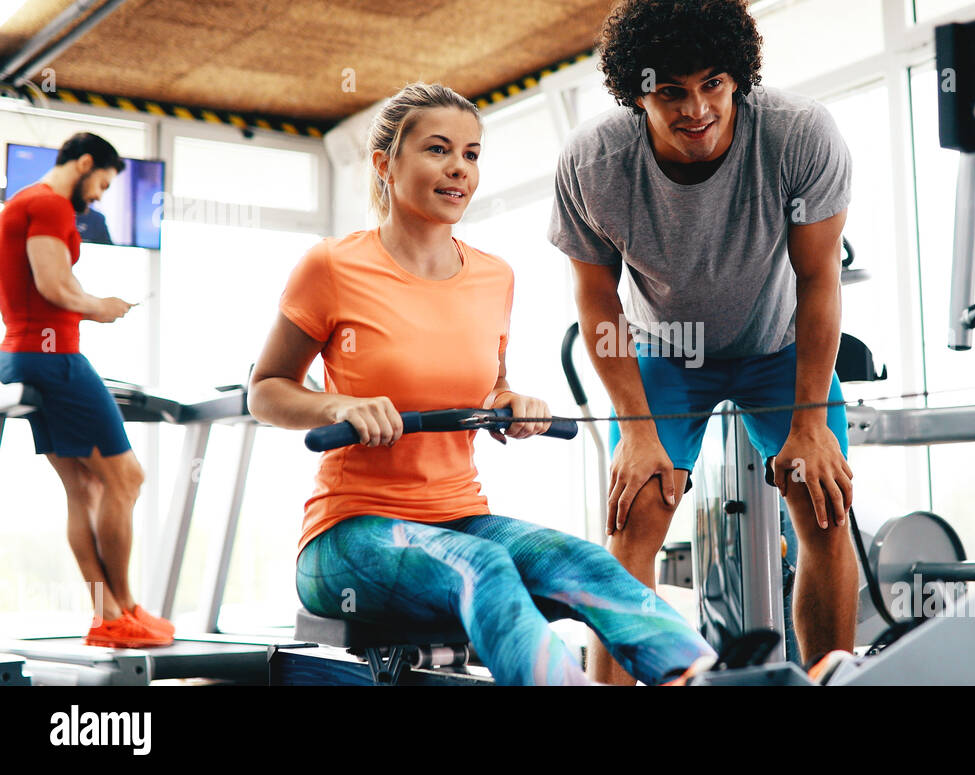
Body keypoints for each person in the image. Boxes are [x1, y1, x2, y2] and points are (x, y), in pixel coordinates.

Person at [248, 82, 716, 686]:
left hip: (460, 517)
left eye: (471, 155)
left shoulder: (494, 277)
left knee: (585, 562)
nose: (459, 170)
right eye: (438, 150)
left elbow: (491, 386)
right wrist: (340, 404)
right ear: (385, 163)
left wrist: (508, 403)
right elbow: (267, 388)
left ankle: (701, 676)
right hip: (347, 537)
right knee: (482, 566)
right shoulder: (332, 267)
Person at [549, 0, 857, 684]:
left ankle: (832, 678)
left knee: (824, 501)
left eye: (713, 84)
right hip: (664, 352)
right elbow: (597, 298)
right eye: (671, 93)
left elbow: (818, 278)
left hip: (778, 343)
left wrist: (809, 424)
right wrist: (634, 429)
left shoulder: (799, 133)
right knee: (636, 517)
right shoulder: (595, 162)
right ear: (637, 93)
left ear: (738, 77)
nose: (696, 109)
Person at [0, 132, 173, 647]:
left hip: (23, 355)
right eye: (101, 182)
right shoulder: (49, 204)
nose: (99, 195)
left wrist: (92, 303)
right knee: (128, 479)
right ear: (83, 164)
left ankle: (110, 615)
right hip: (55, 360)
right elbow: (54, 285)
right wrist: (104, 306)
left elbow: (46, 283)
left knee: (87, 487)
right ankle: (121, 608)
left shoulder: (23, 204)